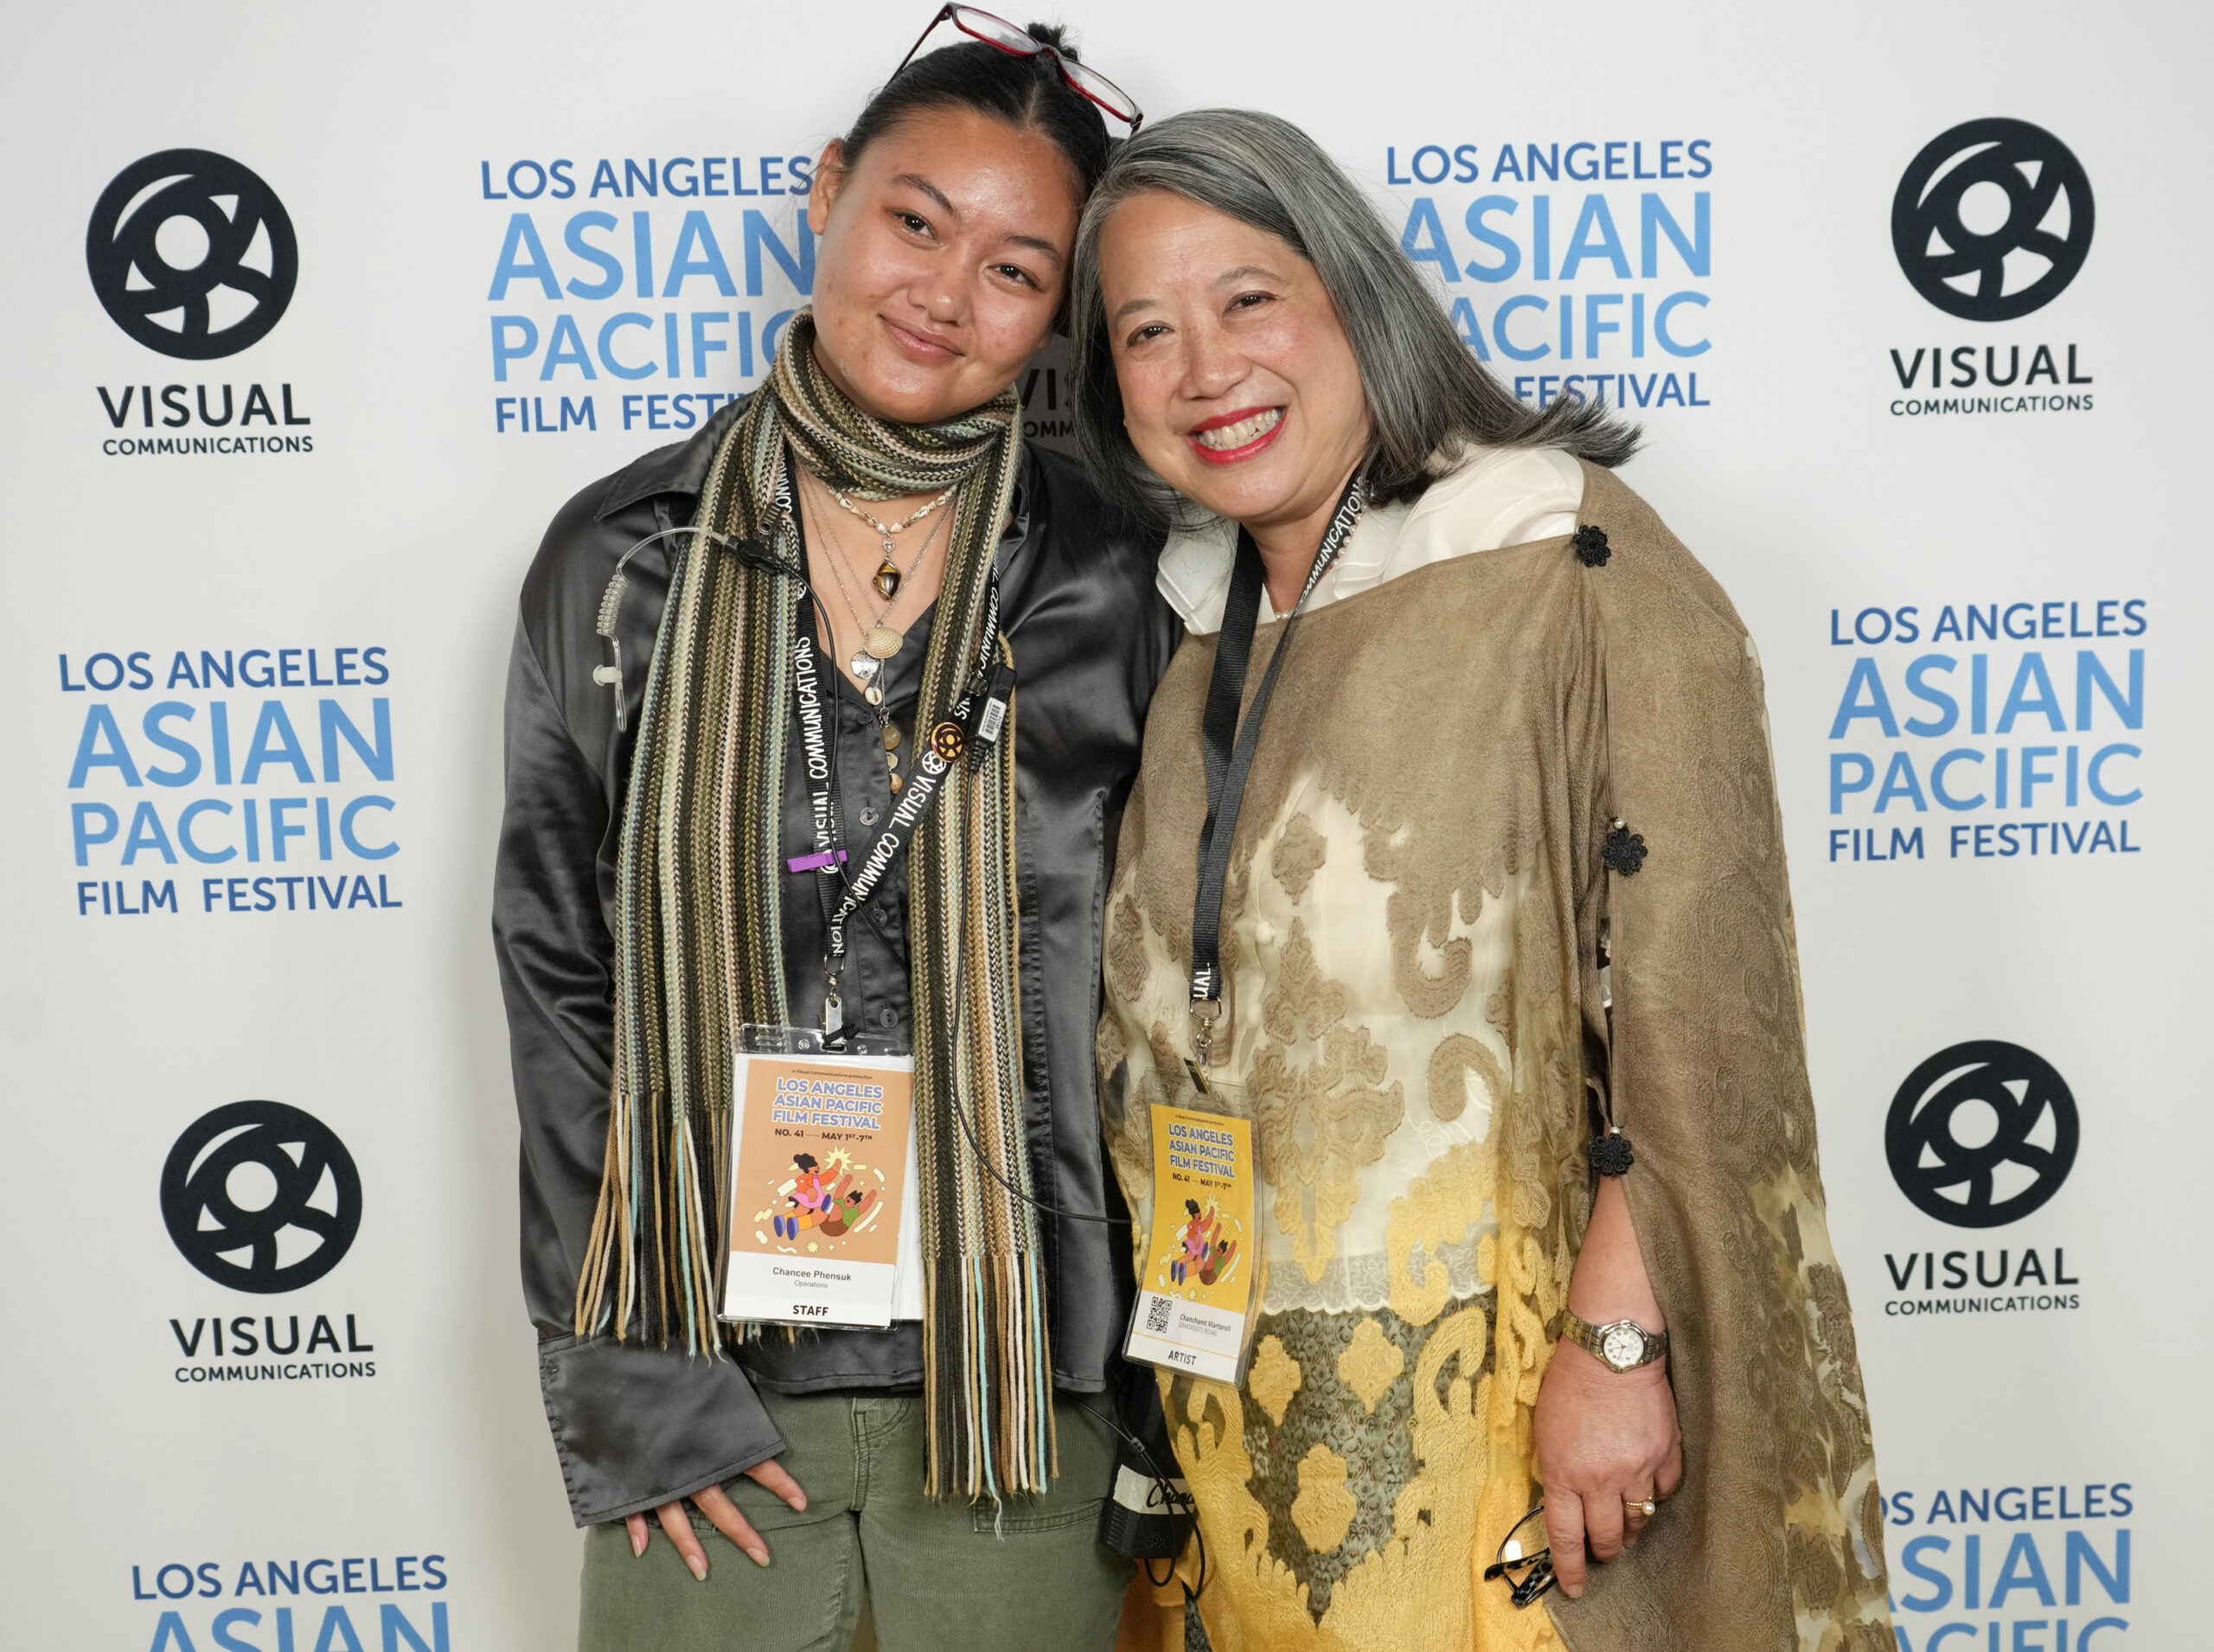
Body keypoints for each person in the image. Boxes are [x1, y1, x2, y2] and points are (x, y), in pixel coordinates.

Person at [1072, 110, 1891, 1651]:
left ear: (1355, 296)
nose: (1204, 369)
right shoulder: (1182, 630)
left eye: (1249, 299)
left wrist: (1620, 1344)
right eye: (1146, 331)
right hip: (1239, 1444)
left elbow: (1702, 1003)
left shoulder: (1556, 550)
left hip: (1517, 1426)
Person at [492, 16, 1178, 1651]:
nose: (945, 293)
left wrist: (1172, 1384)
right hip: (709, 1385)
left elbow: (1189, 988)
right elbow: (558, 970)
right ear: (828, 193)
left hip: (1029, 1387)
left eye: (1016, 270)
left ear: (1060, 312)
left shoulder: (1118, 573)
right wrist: (629, 1376)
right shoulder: (626, 555)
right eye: (914, 222)